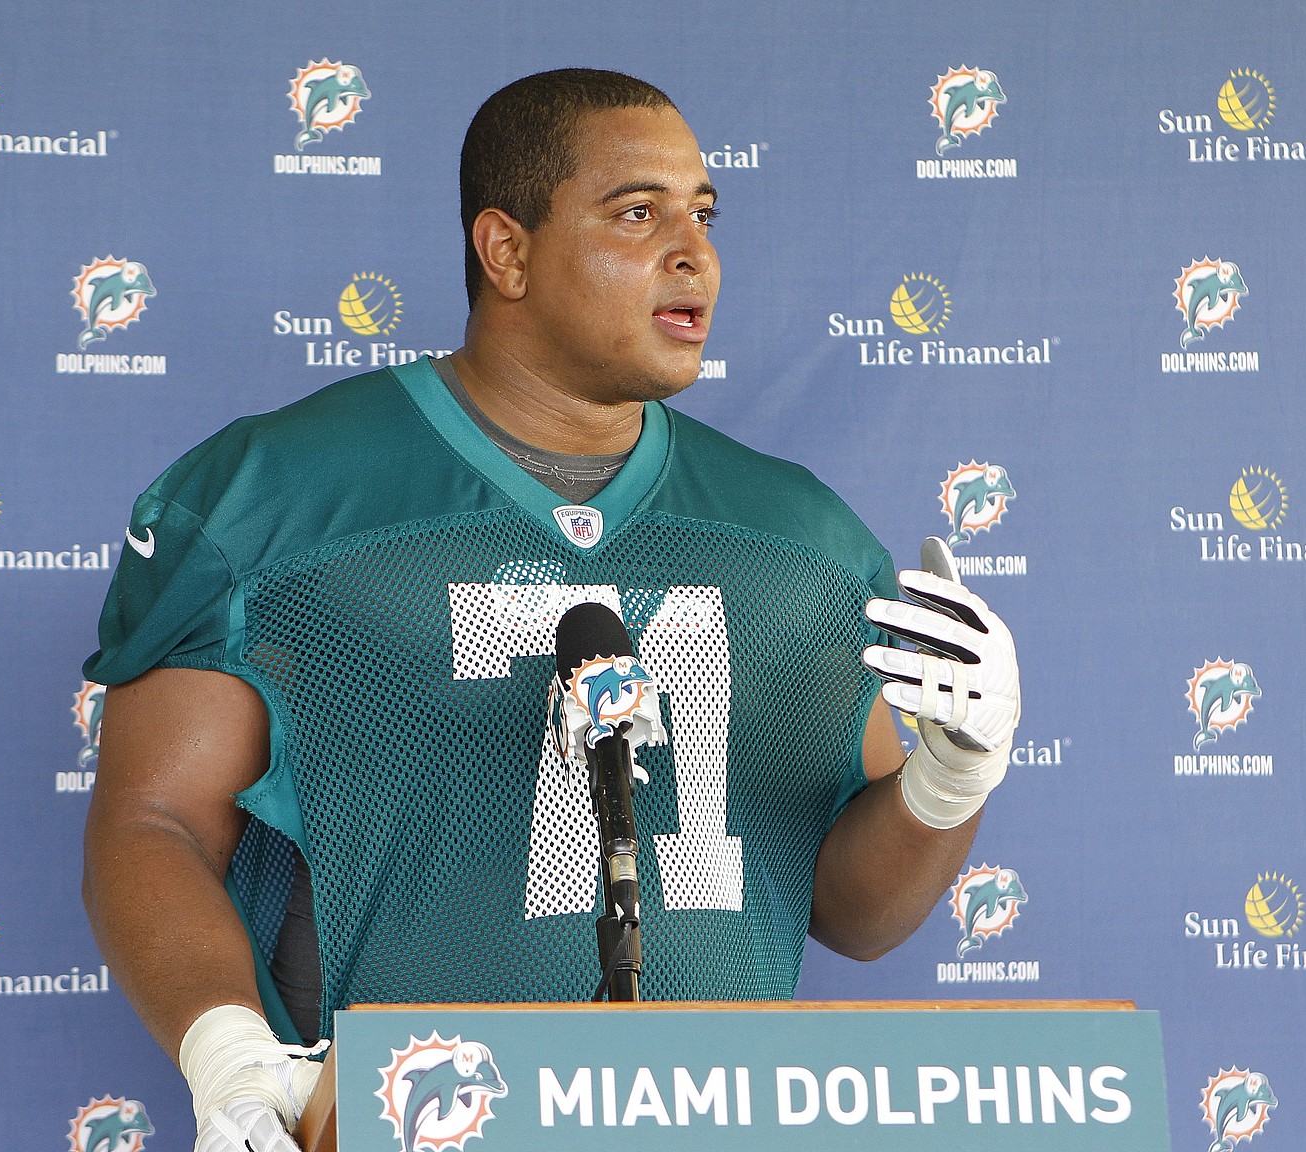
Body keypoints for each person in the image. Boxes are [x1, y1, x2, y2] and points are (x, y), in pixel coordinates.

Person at [81, 68, 1020, 1152]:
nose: (694, 253)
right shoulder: (276, 494)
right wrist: (230, 1057)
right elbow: (154, 820)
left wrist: (952, 778)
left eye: (704, 214)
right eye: (639, 213)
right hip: (403, 1123)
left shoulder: (803, 537)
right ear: (507, 250)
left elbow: (855, 917)